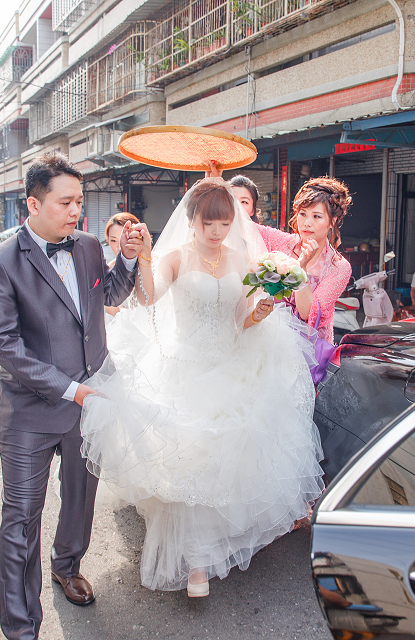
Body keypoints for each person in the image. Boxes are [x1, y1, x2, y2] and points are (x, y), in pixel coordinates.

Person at [78, 178, 324, 598]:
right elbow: (150, 298)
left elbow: (241, 318)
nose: (216, 230)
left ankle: (211, 551)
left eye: (224, 222)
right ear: (191, 220)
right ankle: (196, 563)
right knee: (189, 460)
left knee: (226, 463)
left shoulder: (242, 259)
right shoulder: (176, 256)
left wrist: (260, 311)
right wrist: (147, 259)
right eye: (209, 222)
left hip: (232, 363)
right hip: (186, 366)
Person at [0, 152, 142, 640]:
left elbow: (109, 296)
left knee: (80, 498)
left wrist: (127, 258)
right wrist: (72, 391)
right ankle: (22, 627)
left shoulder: (89, 246)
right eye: (65, 202)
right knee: (20, 520)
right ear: (33, 203)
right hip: (31, 411)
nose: (76, 211)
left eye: (80, 201)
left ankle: (67, 566)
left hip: (90, 403)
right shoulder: (0, 262)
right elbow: (2, 345)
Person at [254, 178, 353, 344]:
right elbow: (245, 227)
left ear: (332, 221)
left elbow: (307, 313)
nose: (307, 223)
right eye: (302, 214)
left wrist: (301, 267)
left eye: (317, 216)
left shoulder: (338, 267)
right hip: (271, 340)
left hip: (310, 348)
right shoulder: (282, 242)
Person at [104, 212, 140, 316]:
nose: (119, 246)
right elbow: (113, 312)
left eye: (124, 238)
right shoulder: (108, 270)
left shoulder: (151, 264)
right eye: (113, 240)